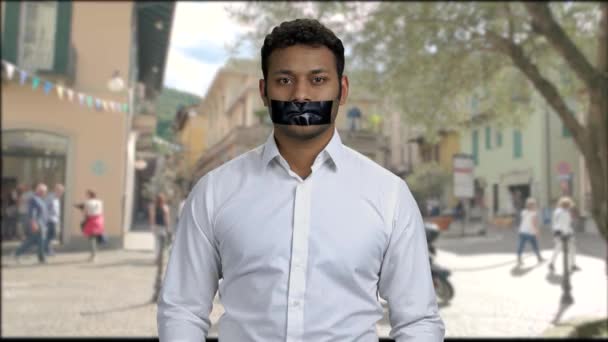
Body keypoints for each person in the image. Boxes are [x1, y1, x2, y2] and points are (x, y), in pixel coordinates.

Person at [158, 18, 445, 341]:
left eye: (318, 79)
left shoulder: (389, 195)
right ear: (265, 92)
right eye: (284, 80)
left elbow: (418, 321)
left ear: (343, 89)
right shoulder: (214, 191)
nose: (301, 95)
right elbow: (182, 309)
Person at [13, 183, 49, 264]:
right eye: (44, 191)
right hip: (38, 224)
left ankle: (41, 258)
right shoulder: (34, 199)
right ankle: (17, 254)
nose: (45, 193)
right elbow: (32, 212)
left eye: (45, 191)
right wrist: (33, 223)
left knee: (39, 241)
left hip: (42, 224)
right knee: (33, 240)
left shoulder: (40, 199)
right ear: (40, 191)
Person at [149, 193, 172, 303]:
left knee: (157, 245)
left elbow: (152, 217)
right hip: (162, 228)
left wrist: (152, 226)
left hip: (157, 227)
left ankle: (157, 258)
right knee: (162, 245)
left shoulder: (154, 207)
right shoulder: (165, 207)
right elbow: (167, 219)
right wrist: (168, 229)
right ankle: (160, 258)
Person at [548, 196, 580, 272]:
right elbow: (565, 225)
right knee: (571, 249)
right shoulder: (565, 213)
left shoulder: (557, 211)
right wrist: (569, 234)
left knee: (558, 249)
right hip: (564, 233)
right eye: (569, 205)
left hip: (557, 232)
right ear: (567, 205)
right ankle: (572, 265)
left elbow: (554, 223)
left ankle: (552, 263)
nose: (570, 207)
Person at [76, 190, 105, 262]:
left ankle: (94, 256)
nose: (86, 196)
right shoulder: (99, 202)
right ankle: (93, 255)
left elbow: (85, 213)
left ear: (89, 195)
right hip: (99, 220)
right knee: (96, 238)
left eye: (87, 194)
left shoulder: (87, 202)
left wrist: (81, 209)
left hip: (91, 221)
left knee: (92, 238)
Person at [516, 197, 544, 265]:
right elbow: (534, 223)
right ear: (533, 205)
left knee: (521, 245)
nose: (536, 206)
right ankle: (539, 258)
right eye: (535, 205)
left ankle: (519, 258)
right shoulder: (534, 213)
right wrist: (537, 231)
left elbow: (522, 221)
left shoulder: (523, 212)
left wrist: (519, 228)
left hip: (522, 231)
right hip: (530, 232)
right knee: (535, 245)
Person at [44, 183, 65, 256]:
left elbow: (57, 210)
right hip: (50, 220)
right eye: (61, 191)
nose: (62, 193)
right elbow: (45, 208)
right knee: (50, 236)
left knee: (51, 236)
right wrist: (46, 220)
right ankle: (47, 250)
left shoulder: (57, 198)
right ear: (56, 190)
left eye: (62, 191)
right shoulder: (50, 197)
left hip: (55, 220)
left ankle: (47, 250)